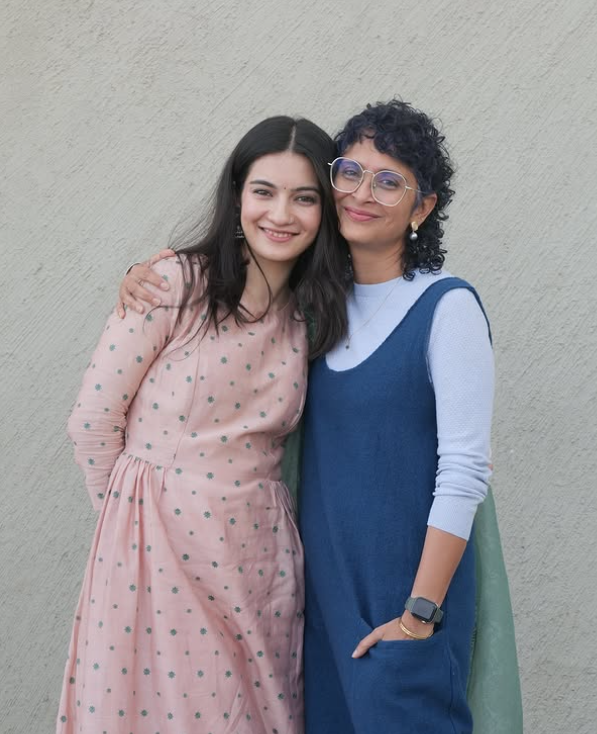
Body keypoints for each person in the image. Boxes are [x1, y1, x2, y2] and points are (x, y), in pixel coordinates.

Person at [117, 100, 523, 734]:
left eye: (390, 181)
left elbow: (465, 470)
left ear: (423, 208)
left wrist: (420, 612)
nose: (363, 194)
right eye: (350, 173)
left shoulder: (447, 308)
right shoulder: (313, 308)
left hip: (405, 602)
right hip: (324, 608)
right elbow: (233, 276)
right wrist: (152, 274)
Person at [57, 115, 349, 734]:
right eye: (264, 191)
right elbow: (92, 422)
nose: (281, 214)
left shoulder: (311, 315)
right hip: (155, 552)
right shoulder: (174, 285)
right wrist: (131, 530)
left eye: (305, 198)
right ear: (237, 193)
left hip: (259, 556)